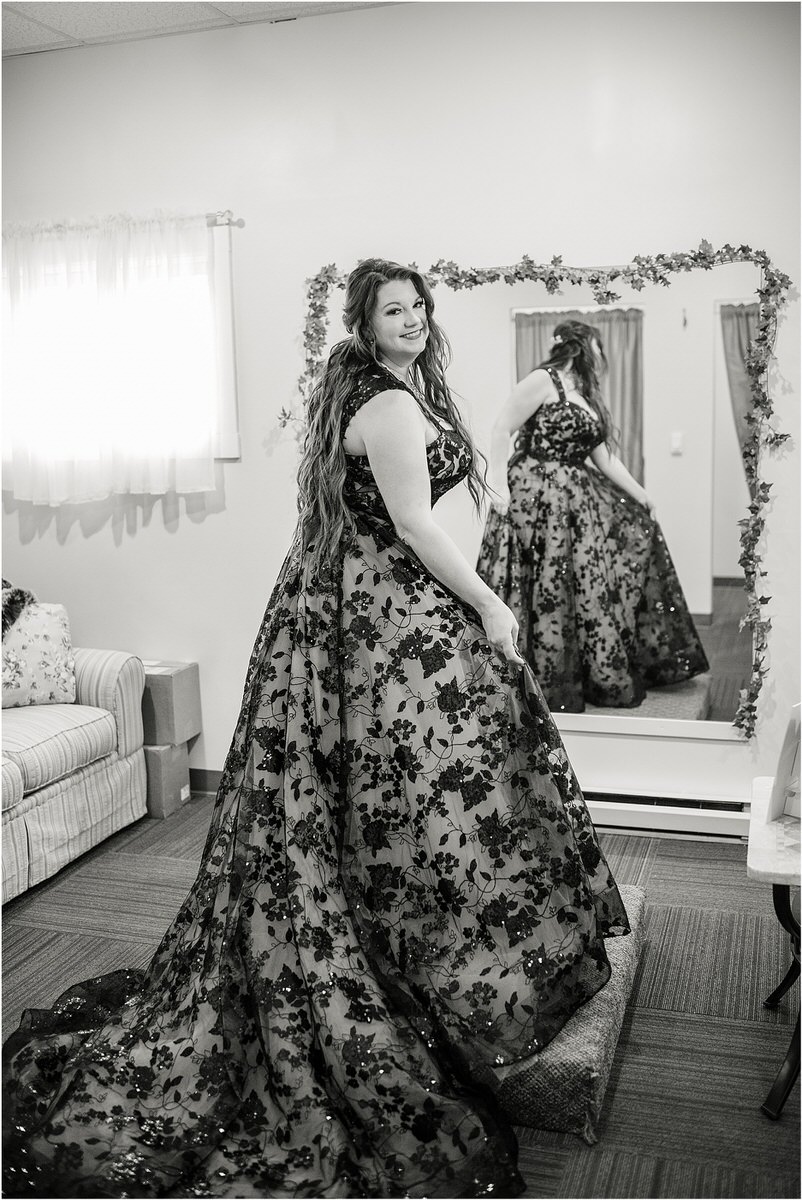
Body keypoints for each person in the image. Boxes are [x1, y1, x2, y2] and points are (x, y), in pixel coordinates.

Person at [3, 263, 630, 1200]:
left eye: (421, 306)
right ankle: (406, 952)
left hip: (359, 607)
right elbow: (414, 524)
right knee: (422, 776)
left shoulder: (395, 387)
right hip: (373, 615)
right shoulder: (381, 405)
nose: (413, 320)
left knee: (400, 783)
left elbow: (414, 503)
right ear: (365, 323)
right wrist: (494, 606)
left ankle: (415, 932)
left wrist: (492, 503)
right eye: (394, 310)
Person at [477, 319, 710, 713]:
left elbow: (604, 458)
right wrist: (497, 486)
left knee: (581, 583)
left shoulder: (584, 394)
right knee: (542, 582)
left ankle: (572, 674)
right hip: (536, 496)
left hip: (574, 501)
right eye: (600, 349)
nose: (603, 359)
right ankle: (525, 677)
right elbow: (501, 429)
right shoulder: (542, 380)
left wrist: (642, 495)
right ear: (584, 347)